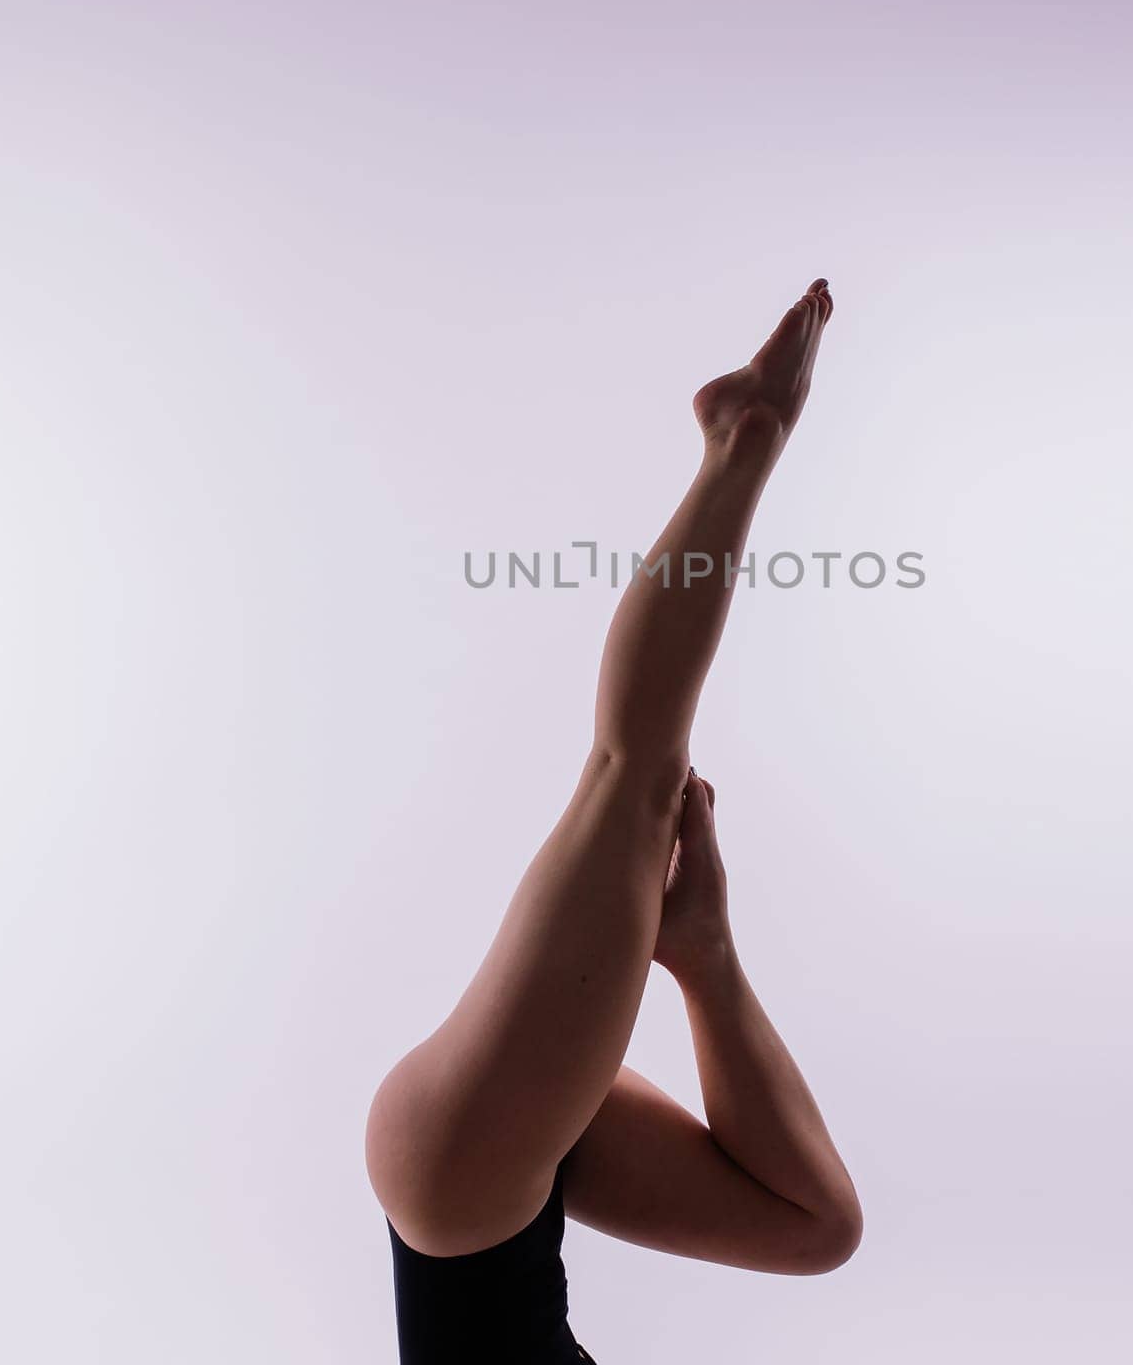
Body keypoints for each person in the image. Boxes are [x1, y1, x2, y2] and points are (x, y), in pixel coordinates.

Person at [365, 280, 862, 1362]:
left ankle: (742, 440)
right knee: (818, 1229)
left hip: (463, 1193)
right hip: (494, 1194)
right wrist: (707, 961)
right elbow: (816, 1227)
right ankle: (704, 947)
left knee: (633, 777)